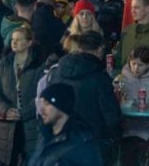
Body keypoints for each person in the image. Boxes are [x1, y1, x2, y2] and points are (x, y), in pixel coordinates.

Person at [45, 30, 121, 162]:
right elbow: (112, 117)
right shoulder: (100, 78)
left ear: (79, 47)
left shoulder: (58, 72)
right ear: (100, 49)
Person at [0, 25, 44, 165]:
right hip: (7, 123)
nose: (14, 42)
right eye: (13, 39)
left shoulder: (39, 65)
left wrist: (24, 112)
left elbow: (41, 95)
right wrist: (6, 109)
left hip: (31, 122)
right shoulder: (4, 63)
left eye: (19, 39)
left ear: (29, 42)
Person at [28, 83, 101, 166]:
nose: (41, 110)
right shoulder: (44, 136)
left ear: (60, 105)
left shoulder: (81, 141)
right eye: (42, 104)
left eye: (47, 104)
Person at [119, 46, 149, 164]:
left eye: (141, 65)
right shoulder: (121, 82)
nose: (136, 68)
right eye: (133, 64)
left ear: (148, 65)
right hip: (131, 130)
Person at [117, 0, 149, 67]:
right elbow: (118, 58)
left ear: (148, 9)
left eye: (136, 8)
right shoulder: (127, 31)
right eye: (132, 8)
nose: (132, 11)